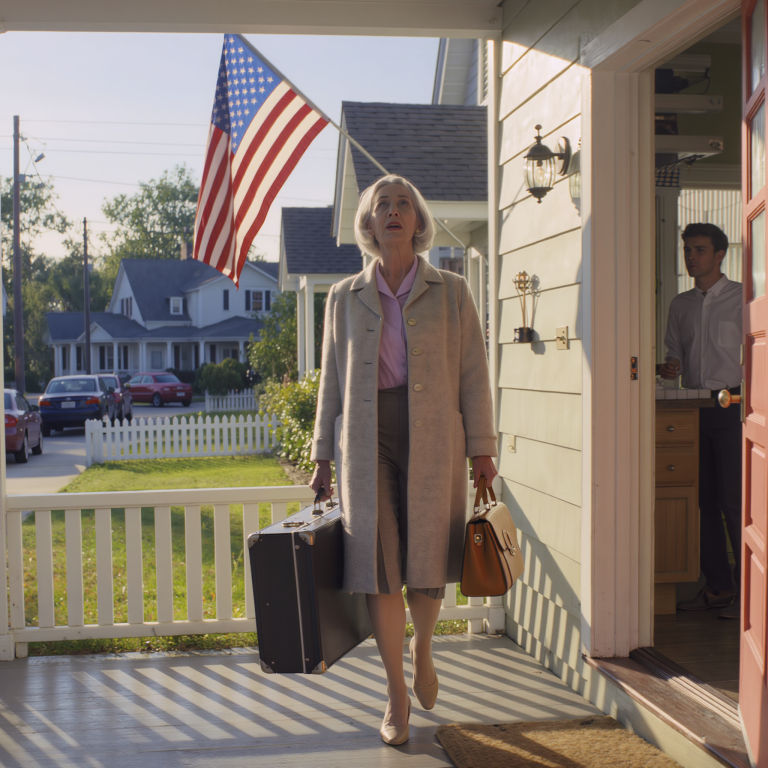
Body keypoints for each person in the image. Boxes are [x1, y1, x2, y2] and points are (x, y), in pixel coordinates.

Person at [309, 174, 498, 745]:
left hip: (435, 435)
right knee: (379, 561)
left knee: (427, 554)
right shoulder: (343, 296)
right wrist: (321, 457)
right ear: (368, 223)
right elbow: (331, 382)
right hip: (366, 439)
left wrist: (482, 450)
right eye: (382, 205)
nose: (393, 212)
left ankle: (423, 647)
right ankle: (395, 692)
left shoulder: (452, 291)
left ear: (418, 222)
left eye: (403, 204)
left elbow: (473, 374)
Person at [659, 222, 742, 619]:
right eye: (688, 250)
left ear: (720, 254)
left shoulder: (745, 299)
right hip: (693, 410)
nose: (691, 256)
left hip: (735, 406)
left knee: (735, 502)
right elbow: (674, 353)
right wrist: (671, 366)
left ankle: (750, 596)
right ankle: (718, 588)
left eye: (700, 250)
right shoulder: (681, 305)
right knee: (702, 502)